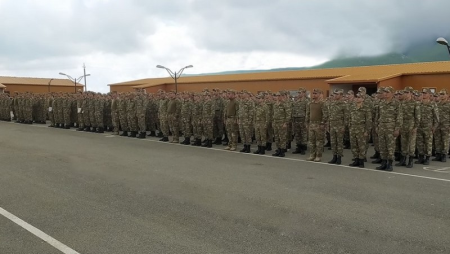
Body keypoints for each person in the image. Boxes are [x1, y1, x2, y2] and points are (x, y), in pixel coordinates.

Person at [376, 86, 403, 171]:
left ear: (392, 93)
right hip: (382, 127)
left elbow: (399, 117)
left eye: (387, 92)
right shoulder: (381, 103)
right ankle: (383, 163)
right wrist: (377, 125)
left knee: (390, 146)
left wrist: (397, 129)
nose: (385, 94)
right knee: (382, 146)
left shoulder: (396, 103)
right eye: (384, 92)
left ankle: (390, 164)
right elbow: (378, 115)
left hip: (391, 128)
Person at [348, 92, 372, 167]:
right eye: (356, 97)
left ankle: (361, 160)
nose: (357, 98)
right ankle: (356, 159)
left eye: (359, 97)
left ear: (362, 99)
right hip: (353, 128)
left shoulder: (366, 108)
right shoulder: (352, 107)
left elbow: (368, 120)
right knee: (354, 145)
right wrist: (350, 126)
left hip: (361, 128)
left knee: (361, 145)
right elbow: (349, 118)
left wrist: (367, 131)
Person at [306, 89, 328, 162]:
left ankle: (318, 156)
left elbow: (325, 114)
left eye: (315, 93)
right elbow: (308, 113)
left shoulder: (322, 103)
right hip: (311, 124)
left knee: (319, 141)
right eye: (313, 93)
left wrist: (322, 123)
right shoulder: (310, 103)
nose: (314, 95)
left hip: (319, 124)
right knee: (311, 141)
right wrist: (307, 123)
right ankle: (312, 155)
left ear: (319, 94)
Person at [327, 89, 347, 165]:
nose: (335, 95)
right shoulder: (331, 104)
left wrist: (343, 126)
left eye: (337, 94)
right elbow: (330, 115)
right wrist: (328, 125)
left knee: (339, 142)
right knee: (333, 142)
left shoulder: (344, 104)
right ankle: (334, 156)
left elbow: (346, 117)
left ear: (341, 95)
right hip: (332, 125)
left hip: (339, 126)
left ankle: (339, 157)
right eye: (334, 94)